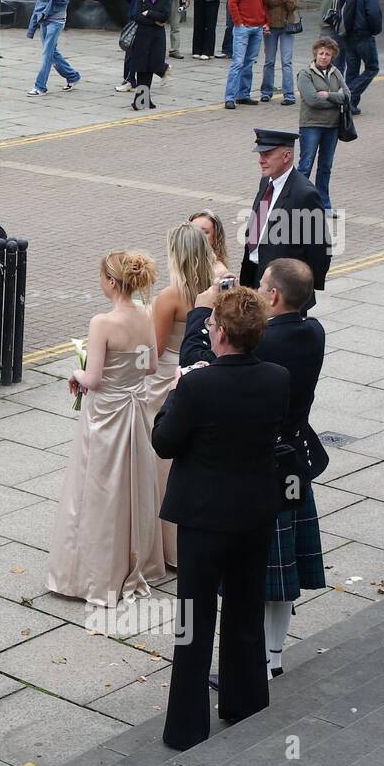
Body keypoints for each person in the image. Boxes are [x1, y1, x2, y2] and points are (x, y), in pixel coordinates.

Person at [154, 287, 289, 751]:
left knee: (194, 620)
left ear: (224, 334)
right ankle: (245, 699)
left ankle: (188, 726)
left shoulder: (198, 385)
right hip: (253, 513)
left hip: (204, 518)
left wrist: (174, 395)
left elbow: (164, 442)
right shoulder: (277, 378)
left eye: (210, 326)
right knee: (244, 611)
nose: (207, 331)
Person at [181, 261, 329, 679]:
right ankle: (275, 655)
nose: (259, 290)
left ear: (276, 297)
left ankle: (257, 665)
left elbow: (199, 362)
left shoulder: (267, 345)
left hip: (260, 467)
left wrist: (201, 311)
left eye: (262, 287)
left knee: (263, 571)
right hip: (294, 462)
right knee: (284, 573)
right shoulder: (313, 331)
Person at [48, 251, 164, 607]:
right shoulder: (145, 315)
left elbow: (94, 378)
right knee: (130, 491)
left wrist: (76, 373)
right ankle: (133, 562)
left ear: (112, 282)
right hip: (134, 411)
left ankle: (92, 574)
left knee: (96, 493)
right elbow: (150, 366)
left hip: (105, 417)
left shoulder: (102, 323)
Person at [147, 224, 216, 568]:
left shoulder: (169, 297)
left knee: (162, 466)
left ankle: (166, 547)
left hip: (167, 380)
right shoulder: (217, 288)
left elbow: (154, 352)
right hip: (205, 372)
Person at [239, 128, 330, 309]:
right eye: (260, 154)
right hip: (256, 276)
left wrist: (302, 292)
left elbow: (319, 249)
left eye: (267, 154)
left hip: (283, 290)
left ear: (286, 156)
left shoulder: (305, 194)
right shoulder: (266, 181)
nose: (260, 160)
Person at [296, 38, 350, 211]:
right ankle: (297, 203)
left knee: (325, 167)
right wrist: (336, 98)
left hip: (332, 126)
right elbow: (312, 100)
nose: (324, 57)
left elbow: (348, 96)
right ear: (315, 54)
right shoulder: (305, 73)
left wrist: (328, 95)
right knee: (305, 166)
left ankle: (324, 204)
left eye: (327, 54)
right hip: (311, 124)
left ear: (332, 56)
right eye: (321, 53)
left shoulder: (336, 73)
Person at [26, 0, 81, 96]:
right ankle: (73, 76)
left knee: (46, 54)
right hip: (44, 17)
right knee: (52, 52)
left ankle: (40, 87)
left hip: (56, 20)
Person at [223, 0, 268, 110]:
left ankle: (243, 95)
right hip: (242, 27)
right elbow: (232, 2)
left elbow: (265, 2)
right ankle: (229, 97)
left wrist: (265, 21)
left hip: (257, 27)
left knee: (249, 63)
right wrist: (239, 23)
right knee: (238, 62)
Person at [340, 0, 383, 116]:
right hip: (364, 35)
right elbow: (374, 14)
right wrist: (374, 30)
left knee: (352, 69)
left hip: (348, 35)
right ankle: (347, 96)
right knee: (372, 68)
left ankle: (350, 105)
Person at [127, 0, 173, 109]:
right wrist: (154, 20)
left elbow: (165, 16)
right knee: (142, 68)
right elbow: (136, 16)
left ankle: (144, 99)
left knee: (151, 66)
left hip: (156, 39)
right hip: (142, 37)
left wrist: (149, 13)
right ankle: (140, 100)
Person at [260, 0, 299, 106]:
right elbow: (268, 1)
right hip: (271, 25)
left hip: (287, 26)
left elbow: (293, 6)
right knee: (269, 61)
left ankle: (289, 94)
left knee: (286, 61)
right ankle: (266, 92)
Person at [118, 0, 151, 92]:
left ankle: (130, 80)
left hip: (142, 21)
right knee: (131, 51)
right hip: (132, 19)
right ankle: (130, 79)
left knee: (132, 52)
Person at [319, 0, 353, 72]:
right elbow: (344, 18)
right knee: (337, 68)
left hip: (323, 33)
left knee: (324, 67)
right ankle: (334, 89)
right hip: (335, 35)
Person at [189, 208, 231, 276]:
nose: (197, 235)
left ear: (216, 237)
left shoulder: (219, 272)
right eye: (193, 230)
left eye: (204, 232)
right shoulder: (184, 262)